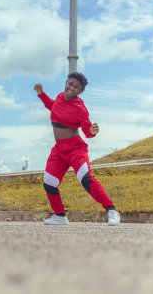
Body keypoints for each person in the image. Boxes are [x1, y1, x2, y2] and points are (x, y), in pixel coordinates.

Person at [34, 72, 120, 226]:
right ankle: (60, 216)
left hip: (75, 148)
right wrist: (41, 94)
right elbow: (52, 106)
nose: (72, 88)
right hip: (59, 150)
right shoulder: (60, 97)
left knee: (86, 178)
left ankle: (111, 210)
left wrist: (92, 131)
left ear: (80, 91)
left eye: (76, 87)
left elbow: (87, 131)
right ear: (66, 83)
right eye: (70, 84)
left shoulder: (80, 109)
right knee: (49, 182)